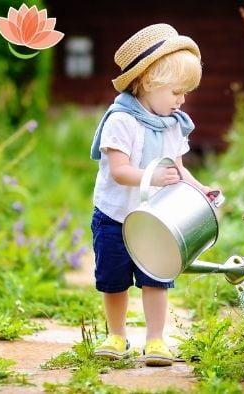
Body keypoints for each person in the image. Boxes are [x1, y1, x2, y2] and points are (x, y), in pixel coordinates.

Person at [89, 23, 212, 366]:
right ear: (147, 83)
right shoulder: (122, 120)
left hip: (155, 220)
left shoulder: (173, 124)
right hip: (116, 215)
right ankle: (116, 335)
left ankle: (156, 340)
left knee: (157, 277)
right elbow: (119, 171)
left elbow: (179, 167)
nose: (182, 100)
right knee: (113, 279)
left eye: (186, 92)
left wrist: (199, 189)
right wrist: (153, 177)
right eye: (176, 92)